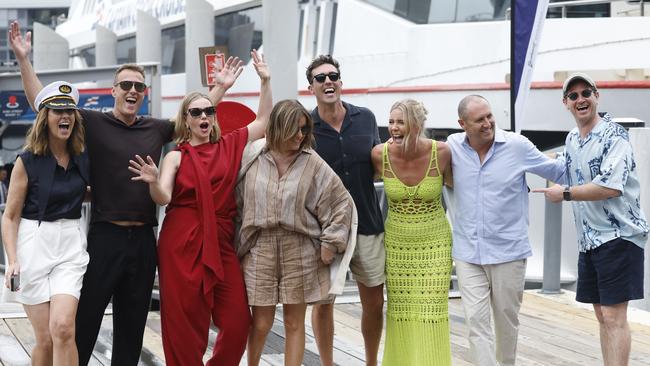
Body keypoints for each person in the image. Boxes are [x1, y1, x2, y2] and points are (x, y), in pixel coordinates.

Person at [8, 20, 244, 365]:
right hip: (105, 237)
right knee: (83, 322)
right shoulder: (94, 122)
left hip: (144, 242)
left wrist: (218, 90)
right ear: (114, 91)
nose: (133, 91)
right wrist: (24, 60)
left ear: (144, 93)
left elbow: (196, 118)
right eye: (126, 86)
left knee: (132, 327)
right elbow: (45, 103)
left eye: (139, 87)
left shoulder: (156, 128)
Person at [127, 50, 270, 366]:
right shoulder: (176, 156)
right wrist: (152, 180)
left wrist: (265, 81)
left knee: (236, 323)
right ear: (186, 120)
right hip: (181, 243)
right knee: (183, 326)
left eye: (209, 111)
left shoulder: (230, 144)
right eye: (196, 113)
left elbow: (263, 123)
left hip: (220, 241)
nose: (204, 117)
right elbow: (163, 196)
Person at [534, 73, 647, 366]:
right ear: (565, 103)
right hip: (590, 241)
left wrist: (566, 194)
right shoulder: (573, 139)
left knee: (614, 315)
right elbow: (567, 171)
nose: (580, 99)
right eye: (574, 96)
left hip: (619, 236)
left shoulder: (615, 135)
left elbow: (610, 186)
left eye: (586, 93)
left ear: (597, 96)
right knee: (601, 315)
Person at [447, 95, 566, 366]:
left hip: (508, 252)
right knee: (476, 323)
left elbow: (558, 170)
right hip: (468, 253)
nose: (488, 123)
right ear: (462, 124)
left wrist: (588, 157)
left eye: (490, 116)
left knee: (505, 323)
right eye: (480, 120)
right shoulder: (452, 146)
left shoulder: (517, 146)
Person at [236, 99, 355, 366]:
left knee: (293, 321)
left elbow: (340, 202)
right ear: (279, 127)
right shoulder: (253, 156)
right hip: (259, 247)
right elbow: (236, 203)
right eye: (295, 129)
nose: (301, 136)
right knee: (262, 322)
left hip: (300, 248)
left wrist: (331, 242)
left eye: (304, 129)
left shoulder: (312, 162)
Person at [1, 81, 90, 366]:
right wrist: (13, 259)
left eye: (69, 111)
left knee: (63, 328)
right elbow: (10, 216)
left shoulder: (83, 156)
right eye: (57, 110)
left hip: (70, 243)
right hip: (33, 244)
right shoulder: (26, 161)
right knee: (46, 339)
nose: (65, 116)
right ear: (45, 117)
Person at [306, 54, 386, 366]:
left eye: (333, 76)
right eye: (320, 78)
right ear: (311, 87)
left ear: (340, 81)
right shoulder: (306, 127)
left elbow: (379, 165)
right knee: (323, 303)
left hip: (367, 223)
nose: (328, 81)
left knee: (374, 302)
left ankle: (370, 363)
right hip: (324, 231)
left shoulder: (365, 117)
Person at [369, 99, 452, 365]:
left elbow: (464, 189)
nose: (393, 127)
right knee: (401, 312)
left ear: (417, 125)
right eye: (391, 121)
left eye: (400, 122)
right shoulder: (378, 154)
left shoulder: (442, 152)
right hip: (397, 244)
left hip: (435, 244)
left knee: (432, 311)